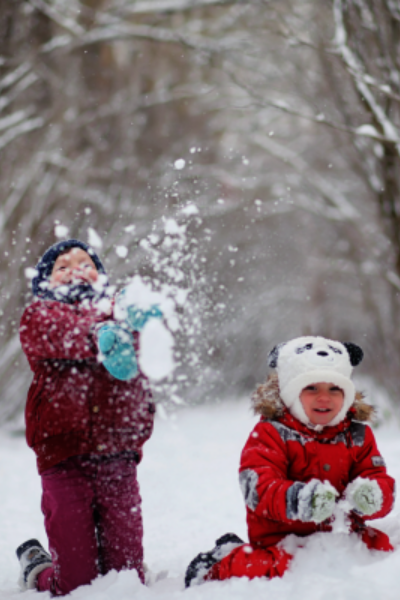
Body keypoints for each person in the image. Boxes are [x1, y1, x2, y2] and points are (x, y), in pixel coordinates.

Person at [185, 336, 395, 587]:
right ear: (291, 393)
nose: (324, 398)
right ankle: (219, 563)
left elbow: (377, 475)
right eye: (312, 388)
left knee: (382, 550)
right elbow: (258, 486)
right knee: (278, 567)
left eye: (334, 389)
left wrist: (372, 495)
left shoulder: (357, 435)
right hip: (283, 539)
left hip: (342, 535)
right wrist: (299, 500)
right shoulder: (271, 433)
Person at [16, 239, 158, 595]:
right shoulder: (40, 315)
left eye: (85, 263)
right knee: (75, 582)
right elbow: (61, 333)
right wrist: (101, 331)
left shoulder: (118, 312)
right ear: (45, 284)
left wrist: (135, 317)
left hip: (117, 458)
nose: (75, 269)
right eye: (61, 267)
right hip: (64, 459)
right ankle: (39, 568)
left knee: (127, 577)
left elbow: (138, 360)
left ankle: (122, 562)